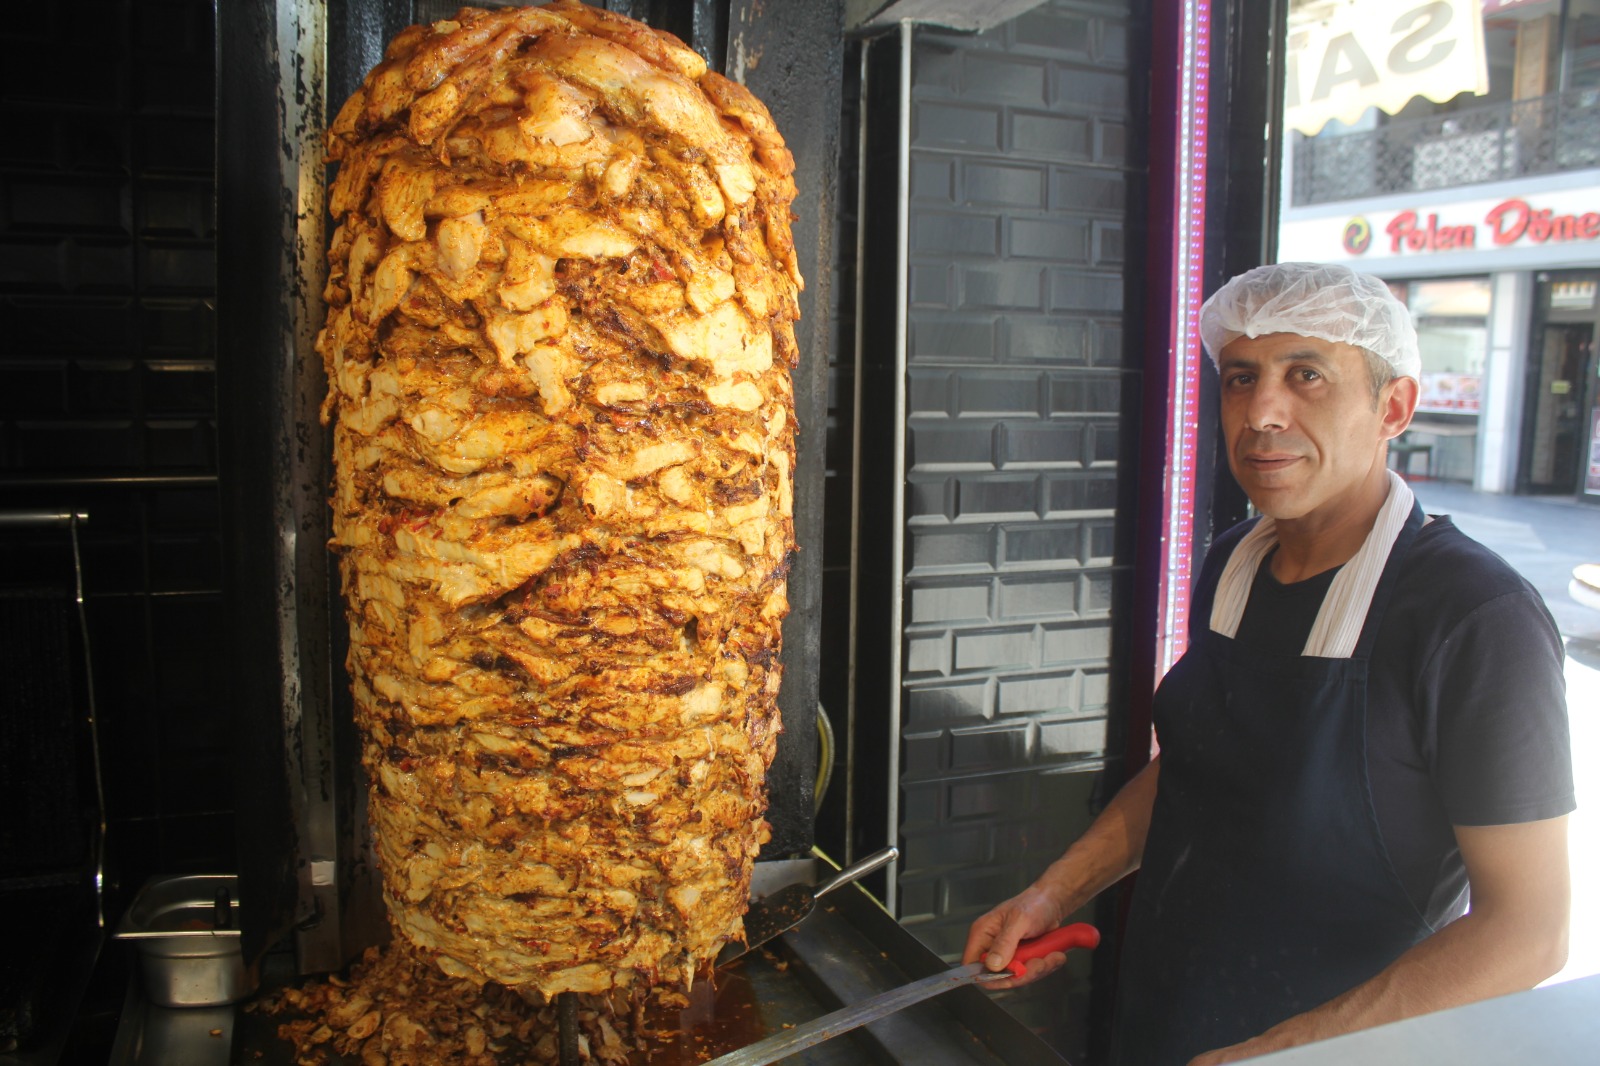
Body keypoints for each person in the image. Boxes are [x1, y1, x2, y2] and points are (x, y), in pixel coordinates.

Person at [962, 262, 1574, 1065]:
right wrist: (1054, 893)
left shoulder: (1474, 617)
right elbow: (1199, 766)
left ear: (1393, 408)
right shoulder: (1236, 562)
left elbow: (1529, 933)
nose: (1261, 414)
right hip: (1169, 1019)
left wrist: (1286, 1049)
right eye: (1241, 379)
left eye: (1306, 377)